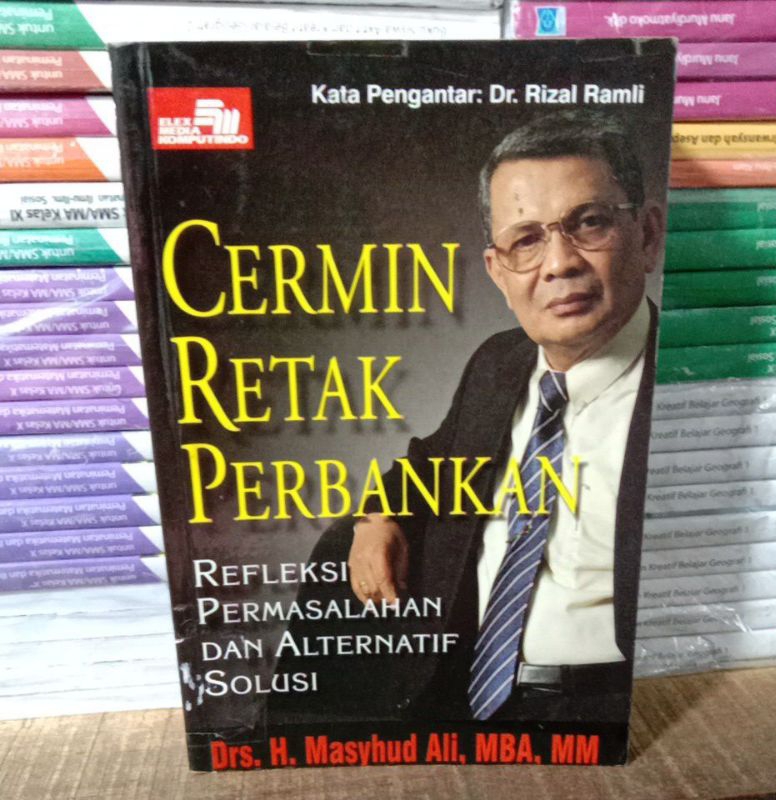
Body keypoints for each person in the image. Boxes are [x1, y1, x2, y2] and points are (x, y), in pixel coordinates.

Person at [274, 109, 664, 725]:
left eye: (589, 222)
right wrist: (378, 515)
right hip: (456, 694)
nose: (559, 263)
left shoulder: (683, 390)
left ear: (647, 234)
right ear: (497, 272)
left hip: (604, 706)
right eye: (526, 240)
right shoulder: (498, 363)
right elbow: (427, 463)